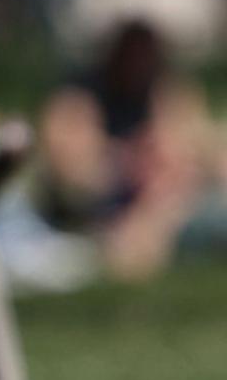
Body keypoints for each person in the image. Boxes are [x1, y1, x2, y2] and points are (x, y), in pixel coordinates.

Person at [38, 17, 226, 279]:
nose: (139, 64)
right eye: (132, 54)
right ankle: (135, 242)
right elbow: (69, 163)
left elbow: (193, 147)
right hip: (99, 193)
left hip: (161, 199)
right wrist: (127, 159)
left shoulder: (168, 90)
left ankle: (140, 239)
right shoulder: (80, 94)